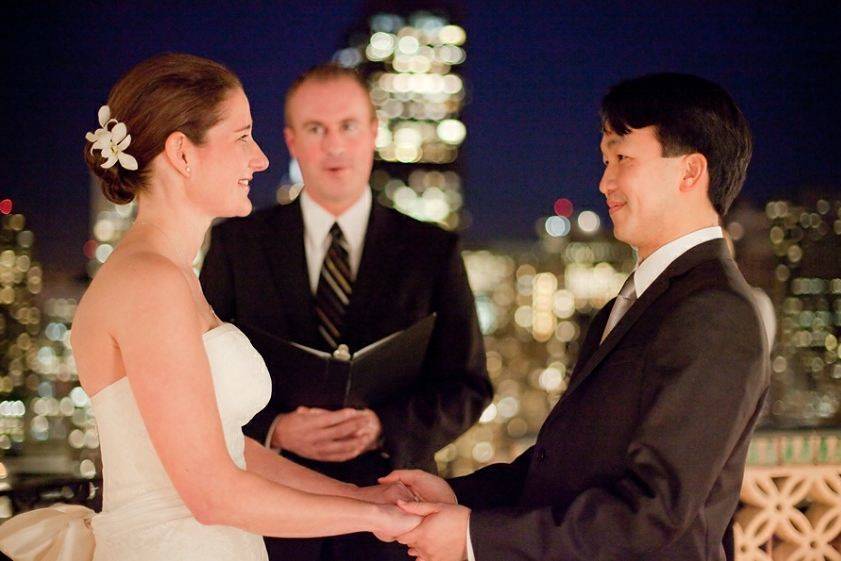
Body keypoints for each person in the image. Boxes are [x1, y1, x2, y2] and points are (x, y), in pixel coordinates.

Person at [0, 53, 420, 561]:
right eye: (242, 136)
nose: (259, 159)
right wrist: (375, 519)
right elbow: (212, 493)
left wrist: (359, 495)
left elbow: (231, 451)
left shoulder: (171, 275)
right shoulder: (148, 283)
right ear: (182, 153)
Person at [384, 73, 770, 561]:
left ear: (690, 172)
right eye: (605, 160)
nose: (604, 181)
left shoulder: (714, 311)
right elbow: (569, 464)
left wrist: (472, 539)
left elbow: (652, 514)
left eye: (623, 158)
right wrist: (459, 497)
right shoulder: (637, 300)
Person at [199, 63, 493, 561]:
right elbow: (202, 380)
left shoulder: (432, 249)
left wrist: (384, 426)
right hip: (273, 519)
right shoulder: (236, 243)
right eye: (316, 129)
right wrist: (275, 429)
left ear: (374, 133)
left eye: (348, 126)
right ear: (292, 141)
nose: (333, 145)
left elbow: (468, 386)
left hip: (396, 516)